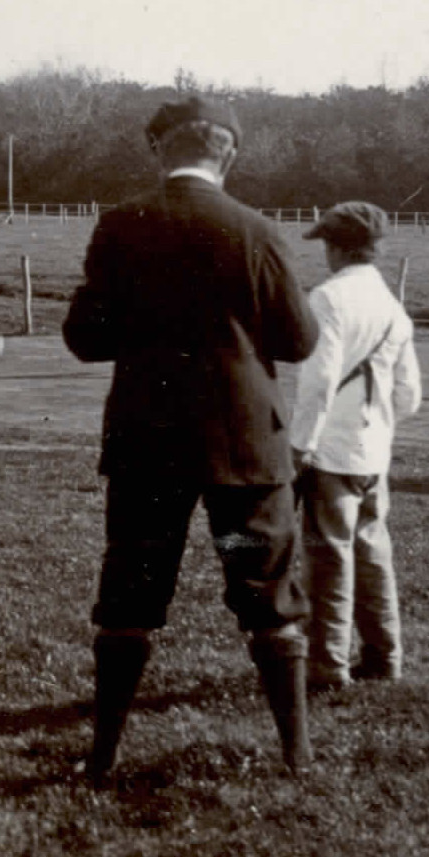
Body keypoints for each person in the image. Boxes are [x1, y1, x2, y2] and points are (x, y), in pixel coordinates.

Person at [63, 95, 321, 782]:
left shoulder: (121, 226)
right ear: (229, 154)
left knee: (132, 595)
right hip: (242, 458)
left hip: (150, 450)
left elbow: (85, 339)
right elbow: (298, 340)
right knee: (263, 588)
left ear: (158, 152)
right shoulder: (258, 230)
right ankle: (296, 756)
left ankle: (103, 755)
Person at [289, 201, 422, 694]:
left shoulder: (327, 299)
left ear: (339, 247)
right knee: (371, 552)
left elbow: (319, 382)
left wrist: (301, 445)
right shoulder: (392, 306)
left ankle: (327, 666)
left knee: (328, 558)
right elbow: (410, 395)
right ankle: (385, 656)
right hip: (374, 452)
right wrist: (376, 425)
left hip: (333, 451)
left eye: (327, 243)